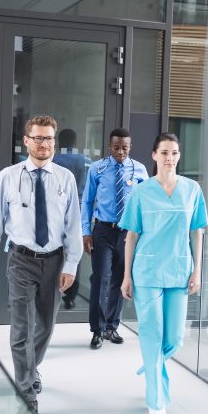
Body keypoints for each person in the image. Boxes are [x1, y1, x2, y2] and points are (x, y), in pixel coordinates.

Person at [0, 116, 83, 414]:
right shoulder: (9, 177)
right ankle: (26, 395)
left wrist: (72, 264)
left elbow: (74, 224)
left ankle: (29, 368)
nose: (44, 144)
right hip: (21, 259)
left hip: (54, 261)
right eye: (38, 138)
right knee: (23, 329)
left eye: (49, 138)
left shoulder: (66, 178)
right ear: (26, 141)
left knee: (46, 326)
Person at [120, 133, 208, 414]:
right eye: (165, 153)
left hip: (180, 270)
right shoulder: (142, 191)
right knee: (151, 332)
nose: (170, 158)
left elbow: (197, 232)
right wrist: (126, 276)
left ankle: (151, 363)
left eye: (175, 153)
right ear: (154, 155)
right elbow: (131, 235)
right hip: (146, 271)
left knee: (175, 337)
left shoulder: (192, 189)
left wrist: (198, 269)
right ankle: (156, 398)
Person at [81, 128, 149, 349]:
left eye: (125, 147)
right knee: (100, 278)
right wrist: (86, 231)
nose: (121, 152)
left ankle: (111, 327)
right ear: (109, 147)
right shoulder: (97, 168)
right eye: (117, 147)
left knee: (120, 280)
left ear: (130, 147)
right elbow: (87, 201)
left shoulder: (139, 170)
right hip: (103, 230)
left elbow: (146, 203)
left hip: (128, 232)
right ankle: (97, 330)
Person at [53, 129, 92, 309]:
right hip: (81, 209)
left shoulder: (55, 161)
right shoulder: (86, 162)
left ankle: (55, 290)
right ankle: (70, 294)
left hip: (59, 210)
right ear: (75, 142)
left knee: (55, 249)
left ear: (59, 143)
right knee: (74, 251)